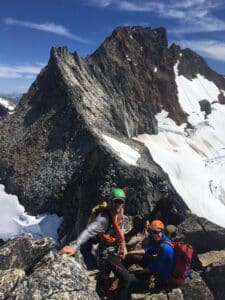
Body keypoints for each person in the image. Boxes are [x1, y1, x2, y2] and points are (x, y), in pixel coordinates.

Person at [60, 188, 130, 299]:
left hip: (114, 249)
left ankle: (99, 294)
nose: (118, 204)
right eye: (116, 201)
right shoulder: (103, 219)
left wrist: (123, 246)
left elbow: (120, 230)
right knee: (126, 278)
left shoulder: (120, 213)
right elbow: (88, 231)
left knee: (104, 275)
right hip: (106, 253)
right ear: (110, 201)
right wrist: (74, 246)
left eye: (121, 202)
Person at [122, 220, 175, 296]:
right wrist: (132, 252)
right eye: (153, 232)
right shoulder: (163, 239)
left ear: (162, 231)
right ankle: (122, 270)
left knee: (130, 279)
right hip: (156, 267)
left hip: (160, 278)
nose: (156, 234)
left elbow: (155, 267)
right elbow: (149, 249)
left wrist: (140, 273)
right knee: (132, 257)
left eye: (158, 232)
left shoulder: (165, 247)